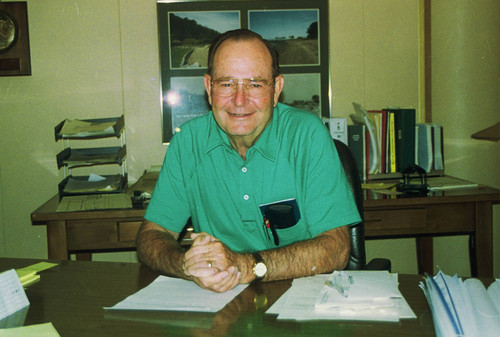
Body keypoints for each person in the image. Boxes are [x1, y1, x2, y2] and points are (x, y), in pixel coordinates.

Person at [136, 29, 360, 293]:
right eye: (227, 84)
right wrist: (186, 263)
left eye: (255, 84)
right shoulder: (188, 143)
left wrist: (246, 267)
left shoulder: (307, 135)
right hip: (221, 304)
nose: (239, 100)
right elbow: (151, 236)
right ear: (209, 88)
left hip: (300, 303)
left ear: (276, 89)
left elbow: (337, 248)